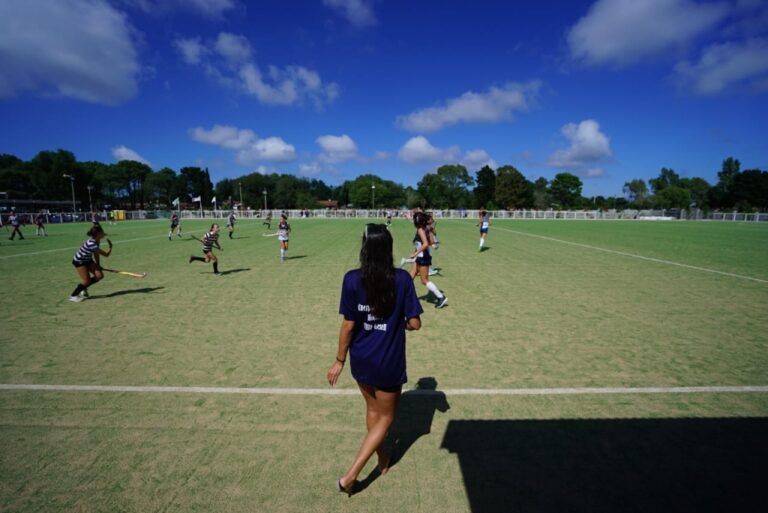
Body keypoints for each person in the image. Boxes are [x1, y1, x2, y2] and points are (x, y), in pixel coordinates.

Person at [327, 224, 423, 496]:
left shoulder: (351, 279)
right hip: (388, 361)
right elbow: (415, 323)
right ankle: (351, 476)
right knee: (386, 418)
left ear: (365, 250)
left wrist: (339, 361)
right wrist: (403, 323)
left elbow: (348, 325)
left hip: (360, 360)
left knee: (372, 411)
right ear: (389, 249)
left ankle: (382, 459)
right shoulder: (403, 279)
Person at [407, 212, 447, 308]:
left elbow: (425, 244)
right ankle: (403, 294)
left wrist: (415, 253)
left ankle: (441, 297)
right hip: (420, 256)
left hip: (423, 257)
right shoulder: (426, 228)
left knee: (424, 280)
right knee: (411, 275)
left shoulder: (421, 229)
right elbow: (430, 242)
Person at [69, 223, 113, 302]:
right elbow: (106, 255)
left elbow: (96, 253)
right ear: (98, 234)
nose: (104, 233)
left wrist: (98, 265)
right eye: (102, 232)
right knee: (87, 280)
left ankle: (83, 287)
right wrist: (110, 247)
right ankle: (73, 295)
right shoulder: (92, 244)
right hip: (79, 261)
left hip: (88, 260)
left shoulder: (97, 240)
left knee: (99, 276)